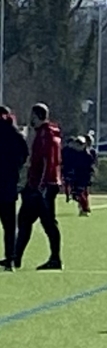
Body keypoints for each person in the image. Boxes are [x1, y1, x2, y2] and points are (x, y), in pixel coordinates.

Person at [16, 103, 63, 271]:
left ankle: (54, 258)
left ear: (37, 116)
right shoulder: (50, 133)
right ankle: (16, 257)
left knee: (40, 222)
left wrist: (39, 186)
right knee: (31, 220)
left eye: (32, 116)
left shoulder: (45, 134)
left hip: (42, 186)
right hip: (45, 184)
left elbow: (45, 161)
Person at [0, 108, 25, 272]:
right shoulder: (15, 134)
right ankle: (10, 259)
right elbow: (24, 154)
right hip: (9, 184)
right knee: (9, 226)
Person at [62, 131, 97, 215]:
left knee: (80, 192)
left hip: (84, 176)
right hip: (75, 175)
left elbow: (91, 166)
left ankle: (85, 209)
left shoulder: (88, 154)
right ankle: (83, 207)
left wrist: (91, 175)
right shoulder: (73, 153)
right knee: (76, 193)